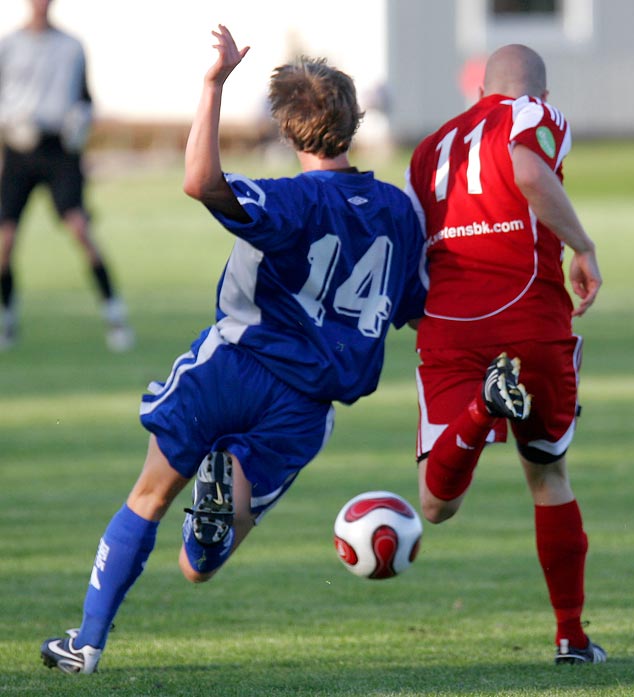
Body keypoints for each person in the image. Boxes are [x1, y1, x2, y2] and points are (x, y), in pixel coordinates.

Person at [40, 24, 426, 674]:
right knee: (198, 566)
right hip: (305, 406)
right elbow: (412, 308)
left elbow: (200, 179)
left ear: (285, 129)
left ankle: (87, 644)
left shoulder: (288, 200)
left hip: (233, 365)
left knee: (148, 496)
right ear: (357, 119)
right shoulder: (397, 211)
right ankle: (215, 521)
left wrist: (214, 81)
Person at [405, 44, 605, 664]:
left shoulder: (429, 147)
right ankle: (571, 637)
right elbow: (525, 169)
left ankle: (478, 412)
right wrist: (583, 245)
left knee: (435, 504)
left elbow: (418, 240)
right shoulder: (532, 116)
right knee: (547, 475)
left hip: (449, 322)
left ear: (481, 87)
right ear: (538, 94)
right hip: (530, 314)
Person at [0, 0, 133, 351]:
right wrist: (10, 125)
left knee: (80, 229)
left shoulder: (71, 46)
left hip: (59, 151)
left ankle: (114, 314)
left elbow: (85, 98)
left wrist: (79, 123)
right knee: (5, 240)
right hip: (18, 150)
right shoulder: (9, 45)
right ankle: (7, 319)